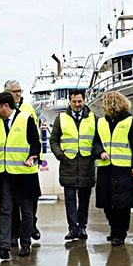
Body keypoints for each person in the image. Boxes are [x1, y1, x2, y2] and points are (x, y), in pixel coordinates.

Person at [0, 91, 41, 260]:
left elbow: (36, 143)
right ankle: (3, 247)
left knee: (26, 211)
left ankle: (25, 244)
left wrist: (33, 156)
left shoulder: (26, 119)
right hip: (4, 174)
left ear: (5, 106)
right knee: (5, 210)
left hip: (23, 174)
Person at [92, 91, 133, 246]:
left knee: (122, 204)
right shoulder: (101, 122)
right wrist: (100, 152)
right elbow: (96, 143)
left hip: (123, 169)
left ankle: (120, 234)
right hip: (106, 168)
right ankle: (114, 229)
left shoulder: (129, 121)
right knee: (107, 203)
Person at [49, 89, 96, 241]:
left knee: (84, 199)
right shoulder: (61, 118)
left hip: (86, 164)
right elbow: (54, 140)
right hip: (68, 164)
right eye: (74, 101)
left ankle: (82, 227)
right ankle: (72, 228)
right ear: (69, 101)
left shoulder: (93, 118)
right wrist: (60, 155)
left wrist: (94, 154)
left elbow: (97, 140)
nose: (77, 104)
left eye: (79, 101)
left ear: (84, 101)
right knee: (69, 199)